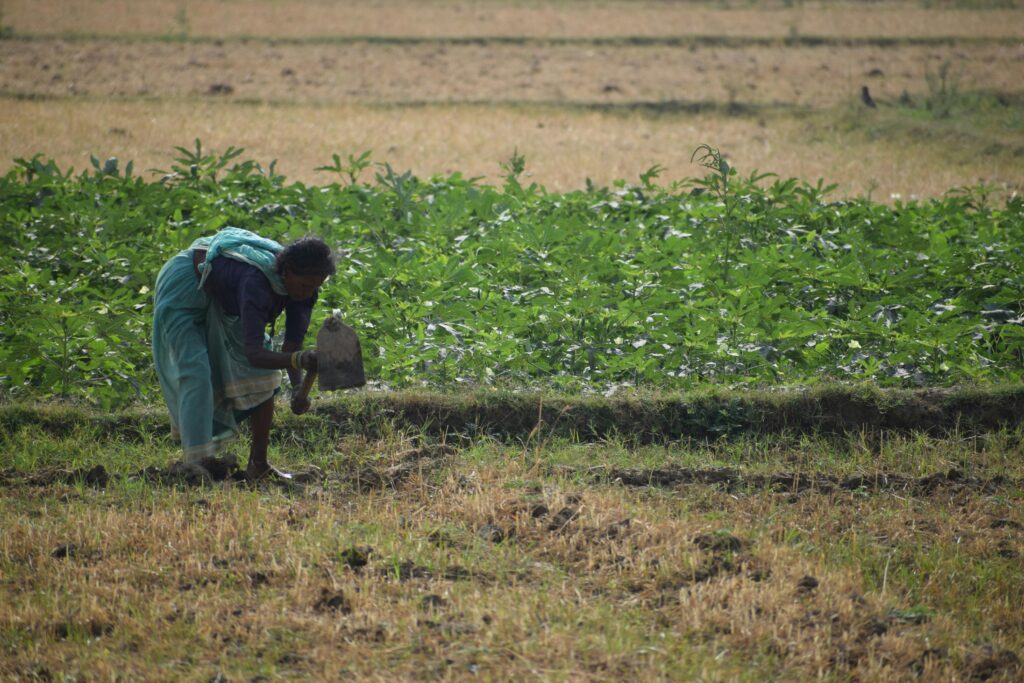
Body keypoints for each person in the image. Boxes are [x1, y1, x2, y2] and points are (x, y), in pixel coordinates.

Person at [152, 227, 335, 481]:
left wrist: (297, 388)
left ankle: (258, 465)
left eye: (314, 287)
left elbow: (292, 348)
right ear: (287, 272)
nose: (307, 292)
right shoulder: (257, 282)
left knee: (263, 378)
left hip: (223, 294)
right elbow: (255, 354)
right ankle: (195, 469)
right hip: (186, 284)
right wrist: (298, 360)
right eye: (304, 285)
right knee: (195, 372)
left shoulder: (305, 291)